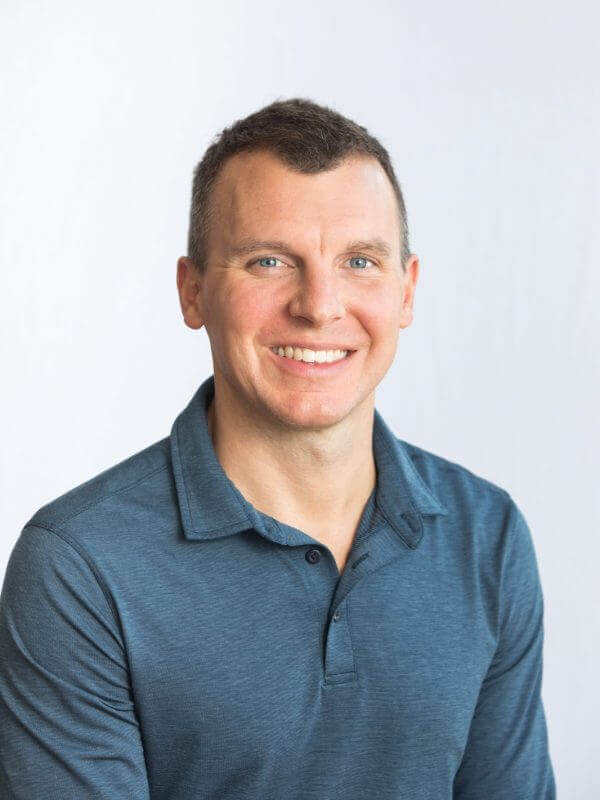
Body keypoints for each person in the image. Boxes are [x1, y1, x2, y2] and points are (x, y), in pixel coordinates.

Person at [0, 97, 556, 799]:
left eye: (359, 260)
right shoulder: (80, 566)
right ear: (193, 290)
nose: (319, 305)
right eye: (269, 261)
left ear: (406, 292)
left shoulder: (487, 536)